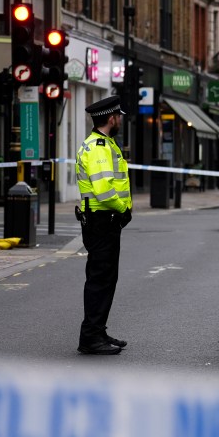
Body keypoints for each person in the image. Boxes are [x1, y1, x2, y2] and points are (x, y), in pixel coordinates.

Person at [75, 95, 132, 355]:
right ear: (111, 118)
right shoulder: (98, 147)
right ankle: (90, 338)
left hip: (104, 219)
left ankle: (98, 331)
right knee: (100, 280)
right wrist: (123, 209)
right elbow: (103, 189)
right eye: (118, 116)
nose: (119, 120)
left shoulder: (104, 143)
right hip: (102, 219)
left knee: (106, 279)